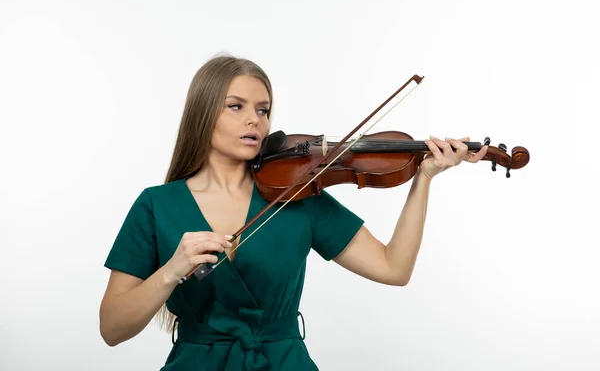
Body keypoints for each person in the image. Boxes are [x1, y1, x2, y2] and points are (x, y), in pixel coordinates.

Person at [99, 54, 487, 370]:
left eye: (263, 109)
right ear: (204, 114)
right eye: (236, 106)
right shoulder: (156, 204)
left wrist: (424, 178)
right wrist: (170, 271)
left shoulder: (298, 193)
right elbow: (112, 328)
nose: (256, 120)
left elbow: (393, 268)